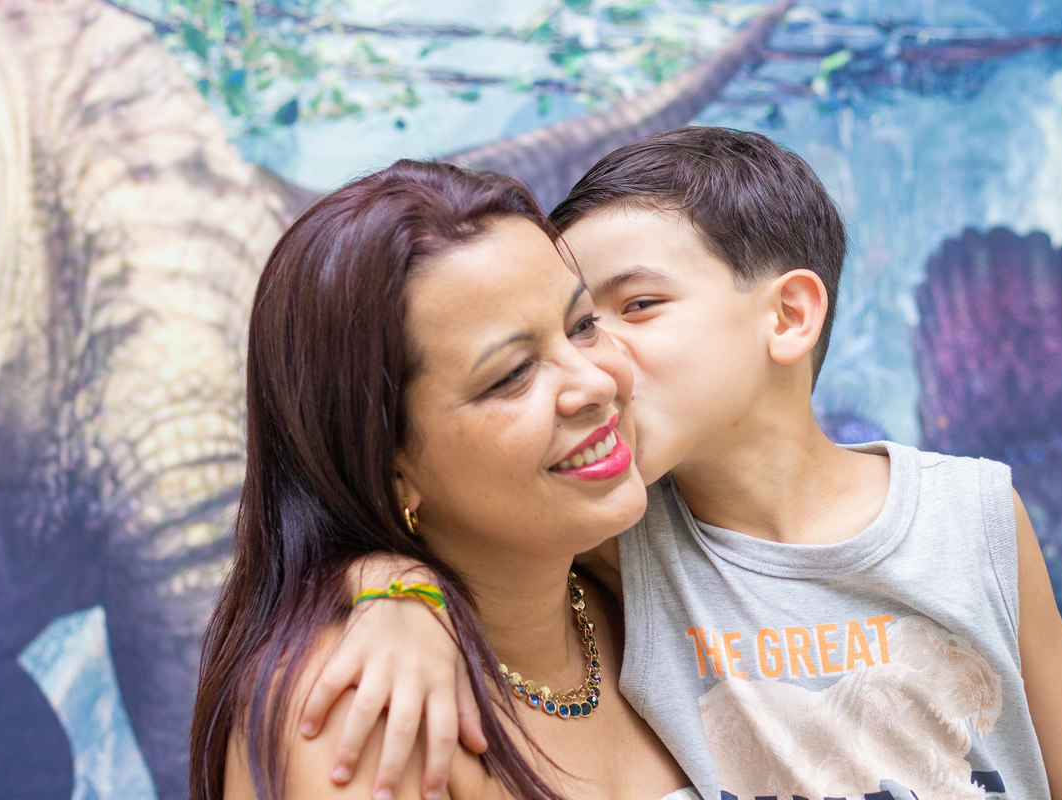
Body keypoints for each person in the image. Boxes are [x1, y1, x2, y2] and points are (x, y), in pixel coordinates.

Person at [305, 127, 1062, 800]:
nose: (597, 362)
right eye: (587, 322)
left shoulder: (975, 515)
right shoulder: (622, 541)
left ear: (789, 315)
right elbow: (449, 534)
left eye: (635, 307)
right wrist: (394, 595)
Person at [187, 159, 696, 800]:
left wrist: (396, 585)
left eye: (582, 325)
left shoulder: (645, 582)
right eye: (512, 374)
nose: (596, 383)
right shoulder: (363, 713)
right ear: (388, 466)